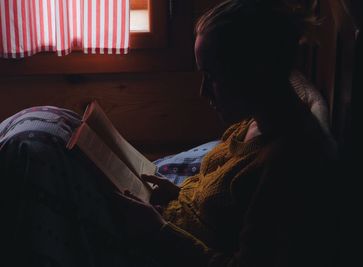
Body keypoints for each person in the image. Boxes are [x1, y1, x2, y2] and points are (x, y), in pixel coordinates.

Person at [0, 0, 338, 266]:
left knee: (35, 151)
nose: (204, 92)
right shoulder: (257, 119)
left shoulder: (288, 164)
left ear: (257, 71)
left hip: (158, 246)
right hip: (161, 218)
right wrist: (172, 196)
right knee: (52, 124)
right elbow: (217, 203)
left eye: (214, 77)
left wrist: (158, 232)